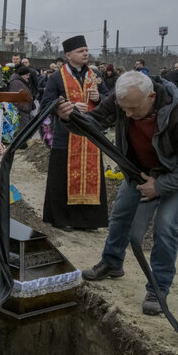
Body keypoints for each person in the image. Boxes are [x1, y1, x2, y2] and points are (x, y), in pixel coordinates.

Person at [57, 71, 178, 315]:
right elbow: (93, 125)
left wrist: (159, 186)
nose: (126, 115)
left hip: (174, 175)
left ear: (152, 96)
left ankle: (158, 288)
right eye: (123, 108)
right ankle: (112, 262)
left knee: (165, 227)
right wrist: (69, 118)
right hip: (137, 170)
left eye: (133, 109)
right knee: (121, 215)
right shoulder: (122, 100)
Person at [41, 35, 109, 232]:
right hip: (65, 135)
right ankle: (62, 219)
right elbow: (46, 104)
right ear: (68, 55)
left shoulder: (95, 75)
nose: (85, 53)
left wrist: (99, 98)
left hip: (91, 135)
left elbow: (109, 99)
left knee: (91, 176)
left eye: (86, 50)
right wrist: (68, 105)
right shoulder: (56, 78)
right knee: (62, 177)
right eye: (81, 51)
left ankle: (88, 221)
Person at [8, 66, 34, 133]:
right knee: (21, 133)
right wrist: (25, 108)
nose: (28, 77)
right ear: (22, 74)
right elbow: (15, 98)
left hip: (23, 112)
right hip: (21, 112)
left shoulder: (20, 82)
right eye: (27, 75)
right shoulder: (16, 83)